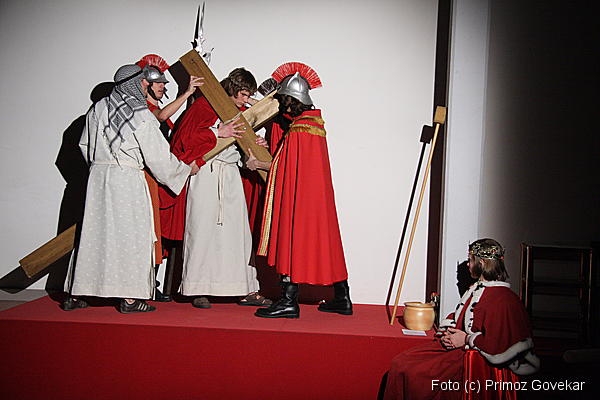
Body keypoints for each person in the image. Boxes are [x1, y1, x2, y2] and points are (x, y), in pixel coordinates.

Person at [62, 63, 199, 313]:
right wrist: (184, 170)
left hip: (98, 179)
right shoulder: (140, 114)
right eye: (144, 81)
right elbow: (158, 158)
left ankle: (79, 293)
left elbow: (84, 145)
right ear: (136, 83)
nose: (146, 85)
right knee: (131, 237)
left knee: (95, 236)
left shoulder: (98, 109)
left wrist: (100, 168)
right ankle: (129, 298)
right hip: (127, 181)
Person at [246, 63, 352, 319]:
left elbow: (283, 166)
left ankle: (288, 301)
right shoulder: (314, 124)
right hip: (318, 200)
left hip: (300, 200)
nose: (281, 106)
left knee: (291, 240)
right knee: (326, 243)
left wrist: (257, 163)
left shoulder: (298, 131)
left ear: (292, 101)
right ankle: (342, 298)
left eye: (283, 101)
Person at [159, 67, 271, 309]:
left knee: (237, 235)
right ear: (233, 88)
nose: (245, 99)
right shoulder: (205, 106)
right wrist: (216, 132)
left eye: (248, 95)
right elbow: (183, 139)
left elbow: (243, 150)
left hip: (230, 175)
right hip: (205, 175)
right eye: (243, 94)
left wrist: (255, 144)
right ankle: (198, 289)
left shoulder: (241, 113)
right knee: (202, 231)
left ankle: (245, 289)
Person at [382, 238, 540, 399]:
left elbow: (500, 344)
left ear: (482, 263)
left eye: (470, 260)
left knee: (415, 373)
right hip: (458, 349)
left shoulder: (504, 300)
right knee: (401, 362)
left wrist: (466, 339)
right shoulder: (476, 289)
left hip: (475, 359)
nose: (468, 264)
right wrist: (447, 332)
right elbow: (461, 317)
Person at [136, 54, 204, 302]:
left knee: (159, 232)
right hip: (144, 178)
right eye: (158, 83)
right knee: (149, 231)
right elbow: (161, 116)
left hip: (161, 176)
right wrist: (187, 93)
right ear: (145, 84)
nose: (162, 87)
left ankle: (151, 283)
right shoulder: (142, 110)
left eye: (164, 83)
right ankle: (143, 284)